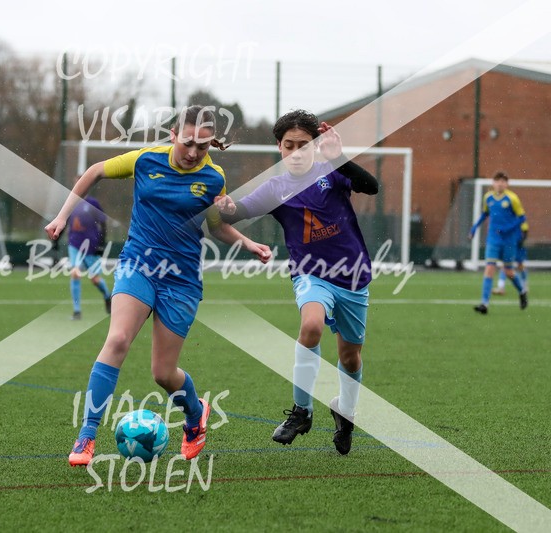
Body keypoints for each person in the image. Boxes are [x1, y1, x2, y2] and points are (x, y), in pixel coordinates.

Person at [45, 105, 272, 467]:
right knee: (117, 340)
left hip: (182, 280)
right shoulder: (146, 159)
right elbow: (94, 171)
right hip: (138, 265)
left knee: (163, 374)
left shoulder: (214, 178)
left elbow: (214, 225)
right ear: (172, 135)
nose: (194, 152)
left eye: (202, 146)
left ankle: (195, 416)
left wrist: (246, 242)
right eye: (187, 143)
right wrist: (61, 216)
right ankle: (86, 436)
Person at [215, 109, 379, 455]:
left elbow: (371, 186)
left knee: (350, 358)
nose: (297, 151)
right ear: (279, 147)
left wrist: (340, 158)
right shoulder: (276, 188)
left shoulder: (332, 173)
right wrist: (226, 206)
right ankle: (301, 411)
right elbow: (238, 212)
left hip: (352, 278)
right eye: (289, 145)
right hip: (311, 274)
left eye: (304, 145)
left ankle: (345, 411)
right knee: (312, 326)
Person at [468, 171, 528, 314]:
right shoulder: (488, 198)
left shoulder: (512, 198)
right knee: (489, 268)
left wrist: (507, 229)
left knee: (508, 271)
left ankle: (522, 291)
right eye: (497, 181)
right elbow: (485, 213)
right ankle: (484, 304)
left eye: (503, 181)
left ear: (507, 184)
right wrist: (475, 227)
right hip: (493, 238)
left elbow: (521, 218)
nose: (500, 183)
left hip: (509, 240)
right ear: (493, 183)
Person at [66, 194, 112, 320]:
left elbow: (103, 222)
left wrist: (102, 243)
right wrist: (56, 239)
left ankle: (108, 296)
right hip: (74, 244)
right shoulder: (71, 202)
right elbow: (64, 221)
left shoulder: (93, 203)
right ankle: (77, 311)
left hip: (91, 245)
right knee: (75, 273)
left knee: (95, 280)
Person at [493, 224, 529, 295]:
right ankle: (501, 287)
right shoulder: (507, 219)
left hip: (518, 245)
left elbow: (525, 230)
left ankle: (524, 285)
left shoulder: (519, 218)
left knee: (520, 265)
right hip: (509, 244)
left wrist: (522, 241)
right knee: (505, 265)